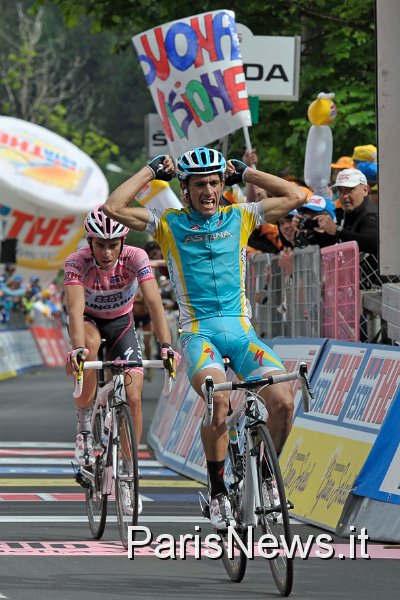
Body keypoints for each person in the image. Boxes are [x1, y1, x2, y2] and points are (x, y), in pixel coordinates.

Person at [103, 146, 307, 529]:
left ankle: (264, 472)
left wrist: (246, 172)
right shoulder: (169, 223)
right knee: (219, 400)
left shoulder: (241, 216)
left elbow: (298, 196)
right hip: (200, 335)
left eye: (214, 182)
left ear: (222, 183)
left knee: (282, 401)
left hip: (243, 334)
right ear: (186, 189)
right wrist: (149, 171)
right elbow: (112, 208)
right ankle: (216, 492)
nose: (209, 191)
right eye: (199, 184)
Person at [64, 205, 178, 515]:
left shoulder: (136, 258)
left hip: (121, 322)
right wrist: (76, 351)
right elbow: (75, 309)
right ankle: (85, 427)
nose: (106, 251)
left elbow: (154, 303)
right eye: (100, 244)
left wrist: (166, 345)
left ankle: (128, 474)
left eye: (113, 244)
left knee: (134, 396)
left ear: (123, 242)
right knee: (87, 347)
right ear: (90, 242)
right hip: (88, 322)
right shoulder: (77, 262)